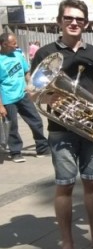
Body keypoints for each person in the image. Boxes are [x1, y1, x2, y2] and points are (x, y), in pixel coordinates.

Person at [31, 0, 93, 249]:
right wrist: (53, 100)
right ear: (59, 21)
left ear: (86, 23)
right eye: (69, 18)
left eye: (79, 19)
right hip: (61, 129)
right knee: (65, 185)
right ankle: (68, 244)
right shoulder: (46, 53)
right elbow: (36, 91)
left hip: (91, 127)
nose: (74, 23)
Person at [0, 33, 49, 162]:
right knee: (12, 126)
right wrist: (0, 106)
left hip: (23, 95)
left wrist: (31, 84)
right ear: (4, 44)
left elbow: (26, 72)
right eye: (14, 43)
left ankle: (42, 148)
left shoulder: (18, 55)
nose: (17, 45)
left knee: (36, 120)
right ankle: (15, 152)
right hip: (8, 98)